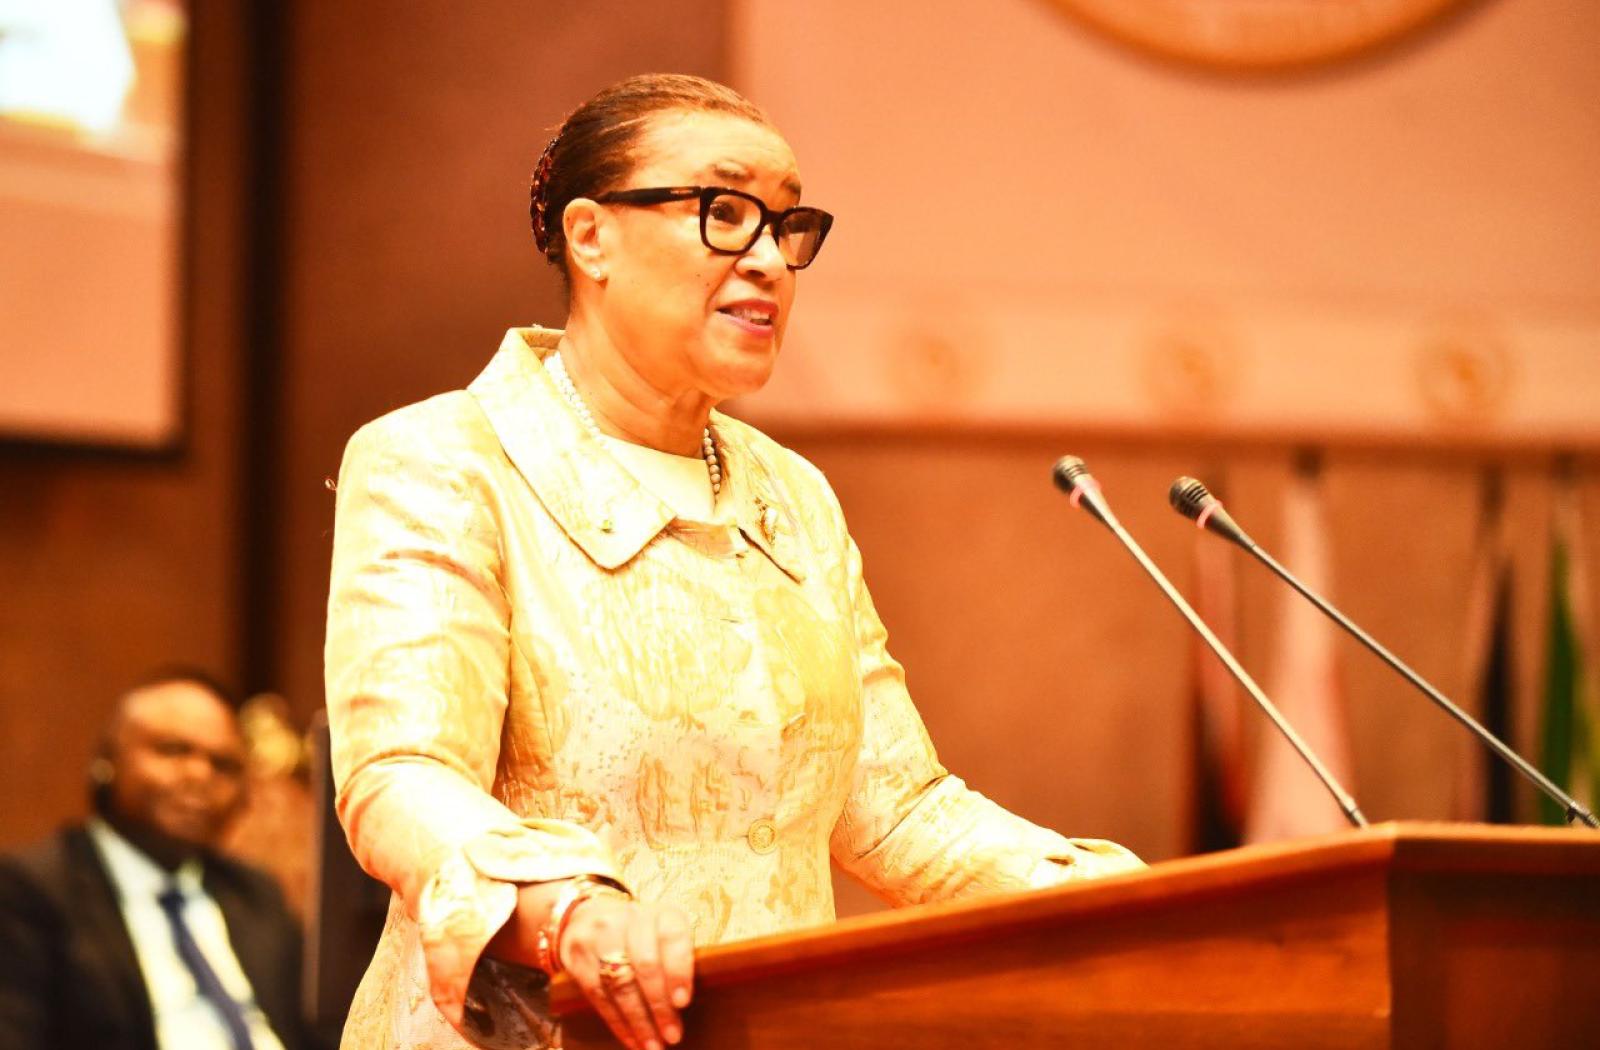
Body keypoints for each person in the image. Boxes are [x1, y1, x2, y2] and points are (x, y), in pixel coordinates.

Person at [324, 72, 1141, 1050]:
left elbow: (894, 814)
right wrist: (571, 910)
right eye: (722, 212)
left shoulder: (790, 494)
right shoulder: (444, 459)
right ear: (591, 237)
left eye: (787, 225)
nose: (768, 260)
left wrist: (1136, 902)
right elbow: (401, 777)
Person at [0, 669, 319, 1050]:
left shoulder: (256, 893)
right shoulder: (31, 890)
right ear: (107, 761)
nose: (199, 775)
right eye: (172, 750)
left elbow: (320, 1031)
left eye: (223, 765)